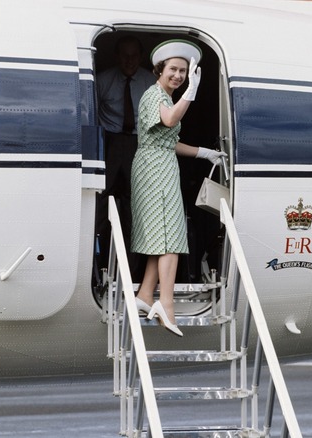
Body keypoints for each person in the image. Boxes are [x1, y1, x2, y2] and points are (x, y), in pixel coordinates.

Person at [131, 39, 227, 337]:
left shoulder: (163, 96)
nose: (179, 75)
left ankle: (146, 296)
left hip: (158, 165)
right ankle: (167, 306)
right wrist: (192, 92)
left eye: (184, 71)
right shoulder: (154, 95)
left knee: (161, 236)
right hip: (156, 170)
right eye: (173, 69)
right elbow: (170, 120)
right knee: (171, 238)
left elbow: (167, 141)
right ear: (160, 69)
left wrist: (203, 152)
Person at [95, 35, 153, 277]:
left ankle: (131, 270)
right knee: (98, 200)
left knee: (136, 205)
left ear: (140, 57)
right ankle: (95, 265)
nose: (129, 60)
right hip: (108, 140)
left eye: (134, 55)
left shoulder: (151, 82)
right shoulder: (102, 80)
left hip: (140, 142)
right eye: (124, 55)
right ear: (117, 56)